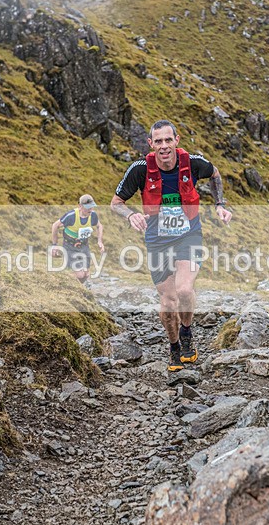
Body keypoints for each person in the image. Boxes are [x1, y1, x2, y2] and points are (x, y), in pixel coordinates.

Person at [112, 120, 232, 372]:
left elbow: (216, 173)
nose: (164, 146)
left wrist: (219, 204)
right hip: (157, 241)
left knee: (185, 290)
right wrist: (130, 215)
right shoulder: (140, 170)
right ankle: (174, 345)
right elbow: (116, 203)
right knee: (168, 302)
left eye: (168, 140)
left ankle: (187, 332)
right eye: (158, 141)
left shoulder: (193, 163)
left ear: (177, 140)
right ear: (151, 144)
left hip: (189, 235)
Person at [51, 194, 105, 284]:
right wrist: (54, 245)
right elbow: (55, 225)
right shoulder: (71, 216)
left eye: (92, 207)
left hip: (84, 246)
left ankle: (79, 287)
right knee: (79, 274)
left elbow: (99, 226)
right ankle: (64, 283)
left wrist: (100, 241)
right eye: (88, 207)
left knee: (86, 274)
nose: (90, 210)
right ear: (80, 206)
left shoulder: (93, 215)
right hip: (70, 246)